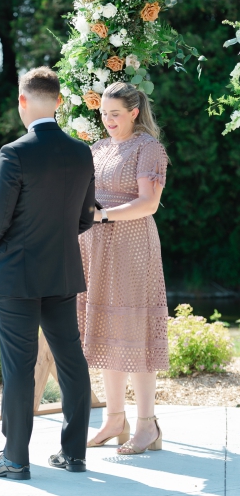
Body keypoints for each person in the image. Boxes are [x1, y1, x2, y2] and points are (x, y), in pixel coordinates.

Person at [0, 66, 98, 480]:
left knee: (18, 368)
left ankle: (15, 459)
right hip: (61, 273)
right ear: (59, 102)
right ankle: (74, 455)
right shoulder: (82, 152)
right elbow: (84, 218)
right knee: (72, 361)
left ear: (22, 102)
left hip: (16, 279)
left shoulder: (14, 152)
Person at [78, 82, 170, 455]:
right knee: (103, 329)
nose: (108, 120)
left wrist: (102, 216)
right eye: (103, 114)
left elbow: (148, 203)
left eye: (115, 114)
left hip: (132, 244)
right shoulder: (97, 148)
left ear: (133, 113)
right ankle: (114, 420)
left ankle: (147, 425)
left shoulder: (149, 148)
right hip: (94, 245)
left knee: (133, 331)